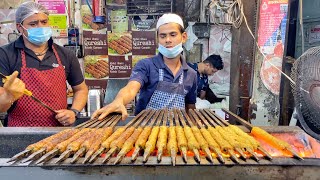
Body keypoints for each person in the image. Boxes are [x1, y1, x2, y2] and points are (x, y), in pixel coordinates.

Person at [92, 13, 197, 120]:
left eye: (173, 35)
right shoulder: (146, 65)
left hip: (176, 132)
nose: (168, 40)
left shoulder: (191, 74)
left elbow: (190, 107)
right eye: (163, 36)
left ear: (183, 37)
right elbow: (131, 88)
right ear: (157, 39)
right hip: (146, 130)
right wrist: (119, 100)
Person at [0, 2, 88, 127]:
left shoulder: (65, 55)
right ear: (19, 27)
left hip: (57, 133)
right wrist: (9, 95)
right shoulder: (5, 55)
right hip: (19, 133)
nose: (40, 27)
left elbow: (81, 89)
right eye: (33, 24)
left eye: (44, 22)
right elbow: (1, 107)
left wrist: (73, 112)